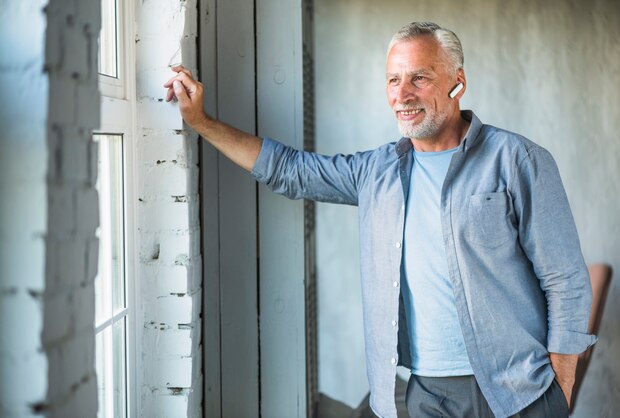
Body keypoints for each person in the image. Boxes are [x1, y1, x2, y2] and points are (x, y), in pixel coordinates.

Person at [164, 21, 596, 418]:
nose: (402, 94)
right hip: (428, 395)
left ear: (457, 83)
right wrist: (201, 122)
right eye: (393, 79)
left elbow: (566, 278)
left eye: (419, 78)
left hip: (518, 391)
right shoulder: (376, 173)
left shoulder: (518, 160)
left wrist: (560, 385)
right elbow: (289, 170)